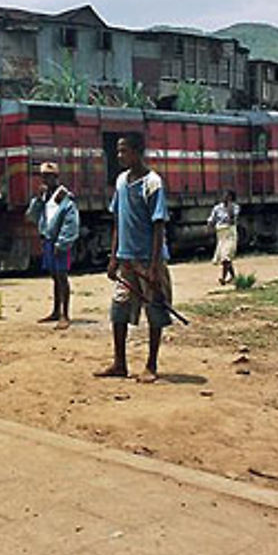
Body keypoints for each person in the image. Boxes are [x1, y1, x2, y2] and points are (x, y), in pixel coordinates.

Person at [97, 133, 172, 383]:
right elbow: (118, 220)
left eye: (124, 151)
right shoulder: (120, 181)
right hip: (126, 260)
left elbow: (159, 226)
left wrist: (153, 267)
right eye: (118, 151)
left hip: (148, 261)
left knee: (155, 311)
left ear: (138, 152)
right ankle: (120, 363)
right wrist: (114, 257)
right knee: (118, 310)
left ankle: (151, 364)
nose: (119, 156)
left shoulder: (153, 183)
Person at [25, 162, 79, 330]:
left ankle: (65, 314)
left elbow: (71, 222)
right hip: (48, 239)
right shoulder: (44, 197)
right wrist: (37, 200)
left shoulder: (64, 197)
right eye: (43, 176)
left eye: (49, 176)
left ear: (56, 177)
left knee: (62, 276)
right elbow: (31, 216)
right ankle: (56, 311)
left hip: (59, 241)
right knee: (54, 276)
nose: (45, 179)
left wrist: (62, 242)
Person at [207, 189, 239, 285]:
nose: (225, 197)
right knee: (225, 257)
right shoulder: (217, 208)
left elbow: (232, 219)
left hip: (230, 233)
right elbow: (212, 219)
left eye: (228, 196)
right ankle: (233, 276)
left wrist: (229, 207)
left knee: (225, 257)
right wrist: (209, 227)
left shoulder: (235, 207)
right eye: (224, 195)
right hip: (221, 235)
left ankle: (223, 278)